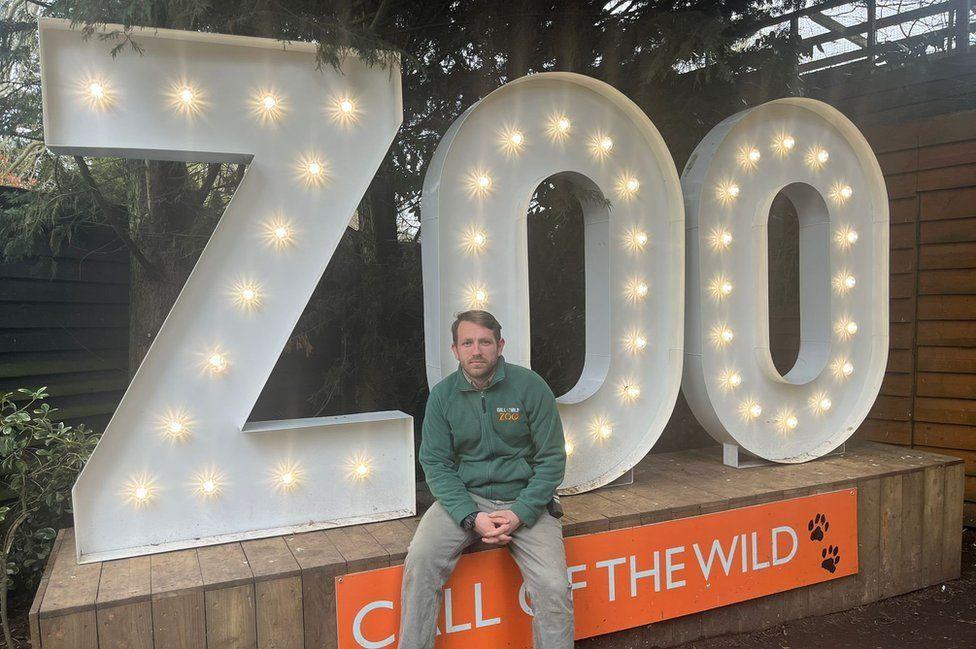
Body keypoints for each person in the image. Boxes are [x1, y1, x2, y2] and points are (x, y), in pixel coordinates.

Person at [397, 310, 574, 649]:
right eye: (467, 343)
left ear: (500, 345)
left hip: (526, 500)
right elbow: (435, 464)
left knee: (554, 587)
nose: (476, 350)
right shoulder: (443, 396)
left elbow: (552, 459)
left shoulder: (531, 387)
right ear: (455, 350)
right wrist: (471, 516)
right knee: (419, 563)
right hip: (466, 499)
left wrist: (520, 512)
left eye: (484, 342)